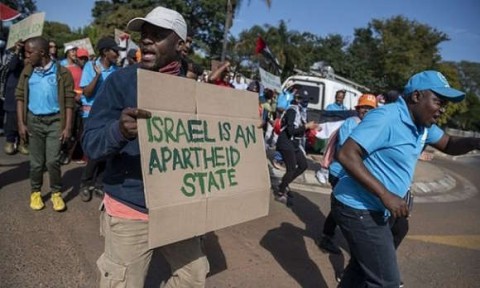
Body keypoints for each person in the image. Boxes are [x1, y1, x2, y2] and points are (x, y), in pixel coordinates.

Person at [82, 6, 209, 287]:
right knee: (123, 281)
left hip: (176, 209)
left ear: (180, 45)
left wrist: (245, 130)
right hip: (130, 206)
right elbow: (91, 145)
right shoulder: (120, 81)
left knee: (194, 275)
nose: (147, 40)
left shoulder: (194, 91)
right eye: (145, 34)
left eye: (159, 35)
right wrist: (119, 131)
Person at [332, 70, 480, 287]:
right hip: (357, 208)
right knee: (387, 282)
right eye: (438, 101)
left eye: (444, 104)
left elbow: (448, 143)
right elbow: (346, 154)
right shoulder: (387, 117)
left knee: (359, 271)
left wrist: (475, 142)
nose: (442, 109)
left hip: (377, 209)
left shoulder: (423, 127)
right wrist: (386, 194)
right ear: (417, 96)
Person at [15, 36, 74, 212]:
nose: (26, 56)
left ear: (41, 53)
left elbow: (69, 101)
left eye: (28, 52)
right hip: (33, 122)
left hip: (56, 121)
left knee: (53, 161)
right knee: (36, 163)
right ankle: (35, 192)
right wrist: (21, 123)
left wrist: (68, 126)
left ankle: (56, 193)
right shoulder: (27, 71)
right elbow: (19, 97)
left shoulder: (62, 73)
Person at [316, 93, 377, 255]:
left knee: (342, 206)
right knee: (342, 206)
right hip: (339, 172)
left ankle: (327, 235)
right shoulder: (351, 123)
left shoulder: (370, 126)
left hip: (352, 173)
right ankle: (327, 237)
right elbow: (346, 149)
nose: (366, 111)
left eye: (370, 108)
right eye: (363, 107)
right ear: (358, 109)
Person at [78, 36, 119, 202]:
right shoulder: (90, 66)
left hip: (109, 116)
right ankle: (85, 184)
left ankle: (100, 184)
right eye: (114, 51)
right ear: (105, 52)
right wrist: (97, 76)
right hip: (91, 116)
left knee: (107, 151)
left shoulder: (117, 70)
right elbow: (87, 93)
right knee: (95, 152)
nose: (117, 54)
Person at [274, 89, 318, 204]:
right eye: (304, 100)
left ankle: (284, 183)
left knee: (303, 165)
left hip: (294, 144)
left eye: (308, 101)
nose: (306, 103)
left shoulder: (301, 111)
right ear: (297, 99)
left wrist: (313, 127)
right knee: (291, 169)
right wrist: (306, 126)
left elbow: (303, 128)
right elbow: (291, 130)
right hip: (286, 143)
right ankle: (281, 191)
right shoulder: (292, 111)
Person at [1, 40, 29, 155]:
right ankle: (10, 140)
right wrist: (17, 51)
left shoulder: (30, 55)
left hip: (26, 91)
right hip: (12, 92)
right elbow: (11, 66)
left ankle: (23, 142)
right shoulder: (8, 55)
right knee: (12, 117)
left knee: (24, 117)